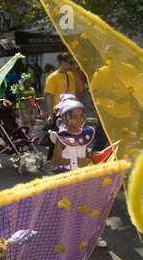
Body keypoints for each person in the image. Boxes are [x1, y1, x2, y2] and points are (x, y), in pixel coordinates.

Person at [50, 98, 107, 247]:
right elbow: (56, 160)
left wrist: (92, 155)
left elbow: (85, 154)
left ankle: (90, 235)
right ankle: (65, 236)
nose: (78, 120)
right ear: (65, 118)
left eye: (81, 116)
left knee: (86, 205)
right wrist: (77, 161)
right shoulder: (61, 137)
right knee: (68, 208)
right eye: (73, 117)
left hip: (82, 176)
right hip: (67, 177)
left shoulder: (86, 134)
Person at [43, 52, 82, 171]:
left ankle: (65, 161)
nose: (72, 65)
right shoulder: (53, 77)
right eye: (71, 63)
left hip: (71, 112)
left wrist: (75, 72)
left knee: (70, 138)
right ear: (64, 62)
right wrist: (50, 115)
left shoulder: (71, 75)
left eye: (74, 63)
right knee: (56, 138)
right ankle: (50, 161)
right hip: (58, 112)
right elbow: (50, 97)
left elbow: (80, 89)